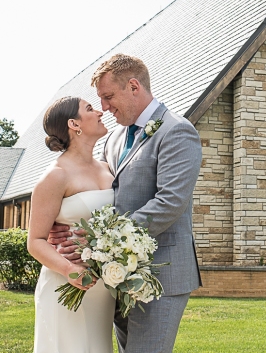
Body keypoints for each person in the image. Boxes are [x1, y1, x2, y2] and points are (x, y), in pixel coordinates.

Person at [49, 54, 203, 353]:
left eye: (108, 97)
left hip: (160, 275)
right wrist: (65, 225)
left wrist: (99, 239)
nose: (104, 108)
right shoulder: (114, 138)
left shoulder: (177, 131)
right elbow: (100, 193)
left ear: (133, 86)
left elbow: (170, 203)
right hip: (114, 276)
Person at [27, 96, 116, 353]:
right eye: (90, 109)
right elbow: (35, 241)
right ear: (74, 124)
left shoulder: (107, 168)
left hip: (103, 287)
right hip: (67, 284)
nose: (100, 111)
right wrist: (70, 270)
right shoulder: (56, 176)